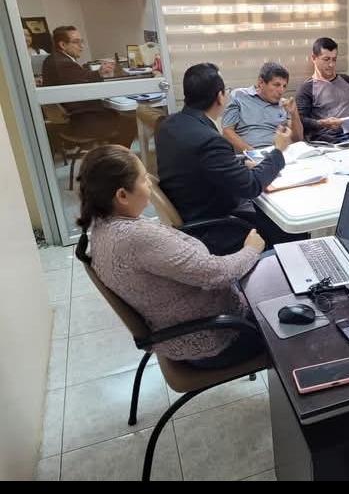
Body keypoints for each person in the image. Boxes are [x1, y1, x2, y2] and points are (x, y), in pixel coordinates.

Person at [75, 144, 267, 369]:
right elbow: (216, 274)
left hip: (192, 323)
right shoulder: (134, 237)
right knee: (291, 291)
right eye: (144, 179)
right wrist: (251, 249)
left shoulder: (102, 227)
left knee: (277, 270)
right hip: (219, 337)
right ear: (122, 195)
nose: (150, 183)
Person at [156, 62, 305, 255]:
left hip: (190, 210)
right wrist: (278, 151)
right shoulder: (210, 140)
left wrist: (241, 162)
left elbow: (202, 163)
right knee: (292, 229)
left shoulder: (168, 125)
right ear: (220, 97)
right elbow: (251, 187)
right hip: (215, 227)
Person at [41, 25, 136, 148]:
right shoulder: (64, 64)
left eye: (82, 41)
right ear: (63, 45)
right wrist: (101, 79)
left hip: (67, 118)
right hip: (80, 121)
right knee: (129, 121)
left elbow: (79, 78)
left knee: (116, 113)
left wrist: (99, 73)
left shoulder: (52, 59)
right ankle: (113, 156)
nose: (81, 46)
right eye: (76, 42)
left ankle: (107, 153)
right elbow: (84, 85)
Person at [297, 37, 349, 143]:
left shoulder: (346, 80)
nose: (331, 64)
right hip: (331, 137)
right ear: (314, 58)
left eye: (334, 59)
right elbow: (301, 120)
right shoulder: (307, 88)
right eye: (326, 59)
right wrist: (323, 123)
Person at [222, 62, 303, 152]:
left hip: (281, 152)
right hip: (251, 152)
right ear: (261, 82)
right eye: (276, 85)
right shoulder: (239, 95)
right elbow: (227, 132)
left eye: (284, 86)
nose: (281, 91)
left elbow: (298, 139)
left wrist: (294, 113)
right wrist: (253, 153)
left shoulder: (285, 105)